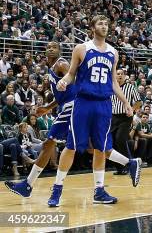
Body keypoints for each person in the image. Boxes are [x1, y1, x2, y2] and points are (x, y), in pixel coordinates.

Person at [5, 41, 140, 199]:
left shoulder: (62, 64)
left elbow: (77, 84)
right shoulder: (52, 67)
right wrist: (49, 107)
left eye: (54, 47)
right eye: (48, 47)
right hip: (69, 106)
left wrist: (80, 105)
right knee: (92, 146)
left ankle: (31, 185)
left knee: (54, 143)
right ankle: (130, 163)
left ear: (60, 50)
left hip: (74, 107)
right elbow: (64, 91)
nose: (50, 49)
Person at [45, 17, 140, 207]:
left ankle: (99, 191)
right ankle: (56, 189)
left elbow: (113, 82)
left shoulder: (113, 52)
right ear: (92, 28)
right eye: (100, 24)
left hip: (104, 104)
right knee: (71, 146)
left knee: (100, 147)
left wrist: (126, 103)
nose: (104, 27)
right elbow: (71, 73)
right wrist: (64, 81)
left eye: (106, 24)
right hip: (83, 103)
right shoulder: (81, 48)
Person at [111, 69, 142, 175]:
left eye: (121, 74)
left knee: (120, 139)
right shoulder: (111, 87)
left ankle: (130, 163)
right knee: (113, 143)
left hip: (125, 117)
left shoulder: (130, 87)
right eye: (117, 74)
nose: (119, 75)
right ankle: (119, 168)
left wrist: (131, 110)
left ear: (125, 76)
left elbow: (138, 102)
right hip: (113, 117)